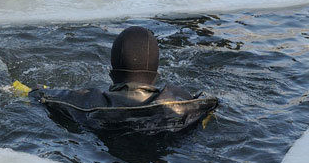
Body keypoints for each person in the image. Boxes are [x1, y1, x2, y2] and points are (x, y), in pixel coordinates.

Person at [27, 26, 218, 134]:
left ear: (111, 72)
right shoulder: (186, 101)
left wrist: (38, 90)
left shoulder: (87, 101)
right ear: (157, 73)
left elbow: (39, 95)